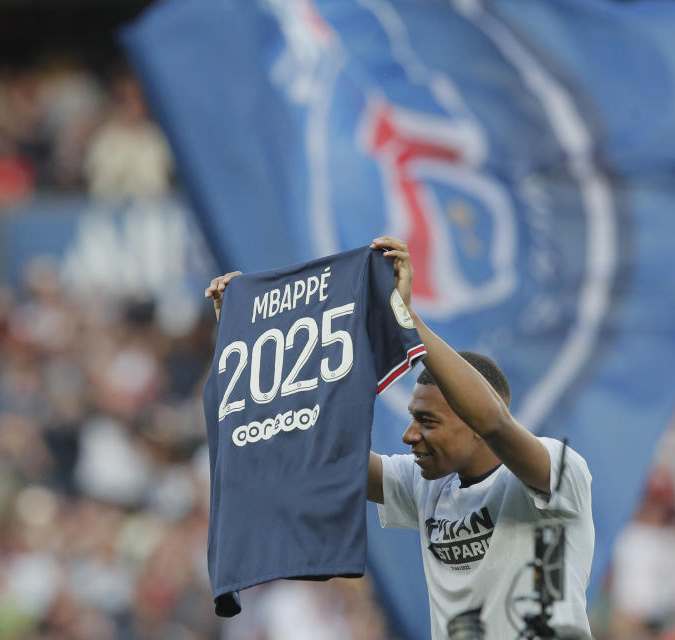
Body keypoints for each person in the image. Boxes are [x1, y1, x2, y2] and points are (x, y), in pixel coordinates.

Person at [205, 237, 594, 639]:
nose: (410, 436)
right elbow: (312, 446)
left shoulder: (557, 472)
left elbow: (494, 421)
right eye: (413, 418)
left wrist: (407, 318)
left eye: (427, 421)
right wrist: (250, 347)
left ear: (472, 423)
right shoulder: (426, 486)